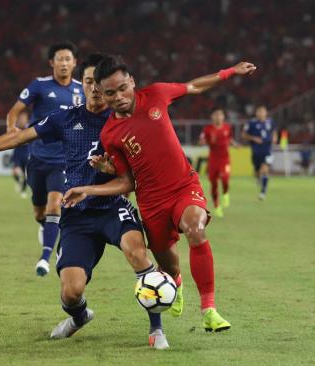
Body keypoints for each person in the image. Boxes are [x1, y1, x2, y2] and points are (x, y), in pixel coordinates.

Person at [0, 53, 169, 349]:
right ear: (83, 84)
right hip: (76, 215)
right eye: (88, 82)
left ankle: (156, 330)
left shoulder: (122, 122)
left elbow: (140, 169)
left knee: (138, 254)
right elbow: (19, 138)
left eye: (99, 84)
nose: (94, 89)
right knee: (71, 292)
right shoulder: (66, 118)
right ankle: (79, 317)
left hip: (112, 208)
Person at [63, 55, 257, 332]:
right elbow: (127, 182)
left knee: (195, 228)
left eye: (122, 88)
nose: (118, 97)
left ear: (132, 81)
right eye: (109, 93)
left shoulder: (156, 94)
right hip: (152, 204)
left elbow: (193, 87)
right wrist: (88, 187)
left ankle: (209, 310)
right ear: (102, 96)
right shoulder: (110, 134)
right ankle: (175, 283)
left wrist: (230, 72)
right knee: (170, 267)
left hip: (183, 187)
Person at [5, 41, 85, 276]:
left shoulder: (82, 90)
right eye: (59, 59)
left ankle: (45, 258)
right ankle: (45, 226)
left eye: (68, 59)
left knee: (54, 205)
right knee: (40, 212)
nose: (63, 63)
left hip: (64, 161)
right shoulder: (39, 86)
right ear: (52, 62)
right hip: (38, 159)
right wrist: (12, 132)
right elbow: (14, 111)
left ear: (74, 63)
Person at [199, 108, 237, 217]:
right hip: (213, 160)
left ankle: (225, 194)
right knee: (214, 184)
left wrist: (234, 144)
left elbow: (229, 138)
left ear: (223, 117)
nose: (218, 117)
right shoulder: (207, 129)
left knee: (225, 179)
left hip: (225, 159)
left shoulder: (227, 128)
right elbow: (202, 140)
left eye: (220, 115)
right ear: (212, 117)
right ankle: (216, 206)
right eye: (215, 115)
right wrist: (202, 142)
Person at [242, 105, 277, 200]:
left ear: (266, 113)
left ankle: (263, 192)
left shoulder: (271, 122)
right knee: (257, 171)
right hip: (256, 151)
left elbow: (274, 132)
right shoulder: (251, 123)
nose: (261, 114)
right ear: (256, 113)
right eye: (259, 111)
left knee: (265, 169)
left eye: (263, 111)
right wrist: (253, 138)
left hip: (267, 150)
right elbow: (244, 135)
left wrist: (274, 138)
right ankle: (258, 178)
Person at [10, 111, 31, 199]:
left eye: (23, 118)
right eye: (20, 118)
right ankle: (19, 182)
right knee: (15, 172)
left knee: (26, 175)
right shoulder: (15, 128)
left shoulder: (30, 127)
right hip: (17, 153)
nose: (21, 120)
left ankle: (22, 191)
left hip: (27, 153)